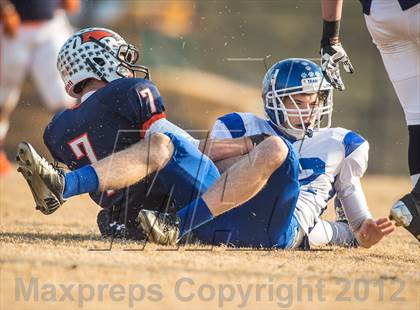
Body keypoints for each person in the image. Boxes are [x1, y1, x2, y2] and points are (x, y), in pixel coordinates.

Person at [17, 58, 395, 249]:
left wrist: (342, 235)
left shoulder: (341, 141)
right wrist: (249, 145)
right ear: (274, 102)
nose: (307, 110)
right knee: (162, 141)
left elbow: (358, 227)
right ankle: (64, 184)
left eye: (313, 101)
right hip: (218, 217)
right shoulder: (240, 123)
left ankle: (177, 225)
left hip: (279, 227)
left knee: (275, 147)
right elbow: (204, 154)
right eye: (297, 100)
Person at [16, 26, 261, 240]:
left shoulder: (56, 128)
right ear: (98, 61)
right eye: (122, 57)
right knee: (177, 148)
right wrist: (251, 143)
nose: (128, 66)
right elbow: (184, 148)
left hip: (122, 219)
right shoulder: (129, 90)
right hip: (170, 209)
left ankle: (64, 185)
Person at [320, 0, 420, 241]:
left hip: (381, 16)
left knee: (417, 116)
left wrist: (330, 39)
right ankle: (417, 202)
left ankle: (417, 209)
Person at [0, 0, 79, 175]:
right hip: (12, 26)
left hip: (51, 25)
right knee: (2, 96)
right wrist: (4, 7)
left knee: (64, 96)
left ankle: (76, 156)